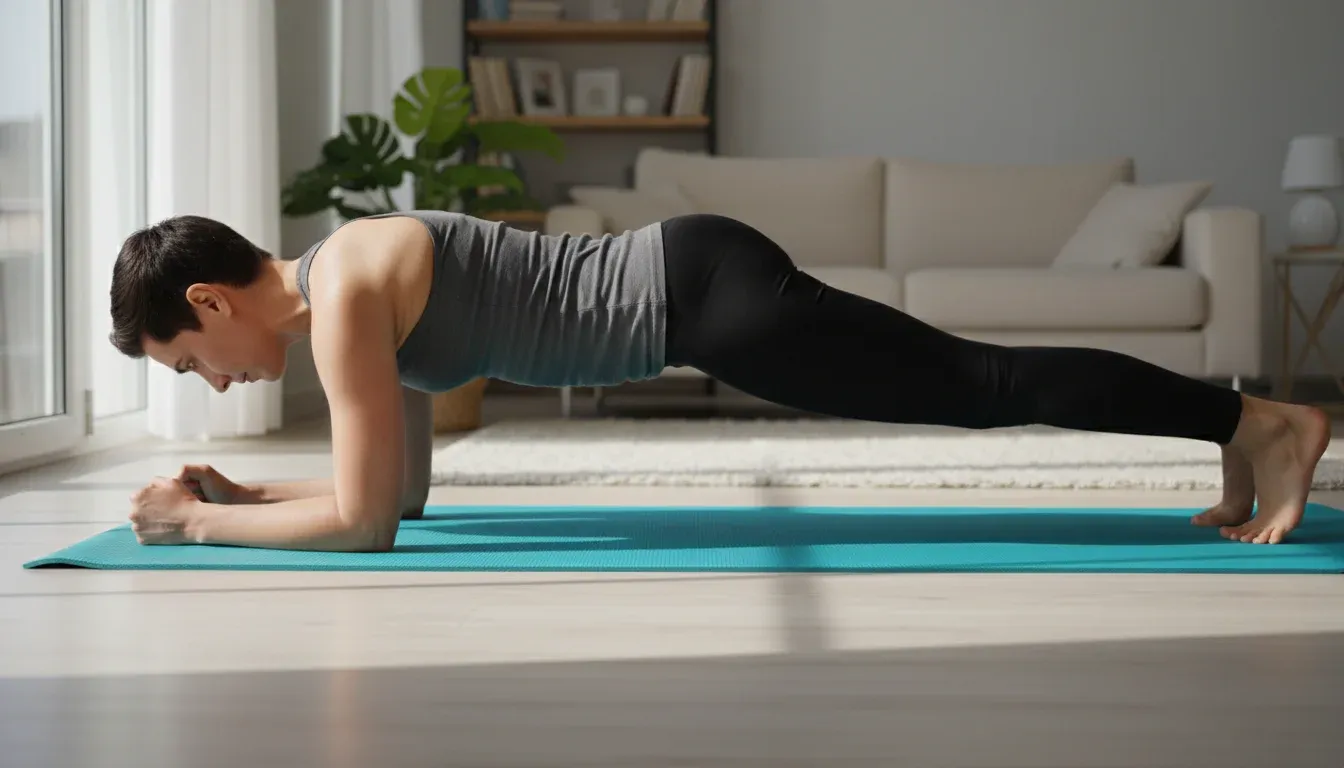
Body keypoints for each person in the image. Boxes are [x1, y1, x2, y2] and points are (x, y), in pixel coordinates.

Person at [109, 211, 1330, 552]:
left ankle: (1264, 419)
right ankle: (1239, 433)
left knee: (980, 382)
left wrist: (201, 522)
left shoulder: (350, 291)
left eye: (188, 363)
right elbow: (402, 497)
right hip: (699, 282)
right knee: (978, 378)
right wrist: (254, 498)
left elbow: (367, 525)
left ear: (210, 302)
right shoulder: (344, 281)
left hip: (701, 297)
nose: (213, 385)